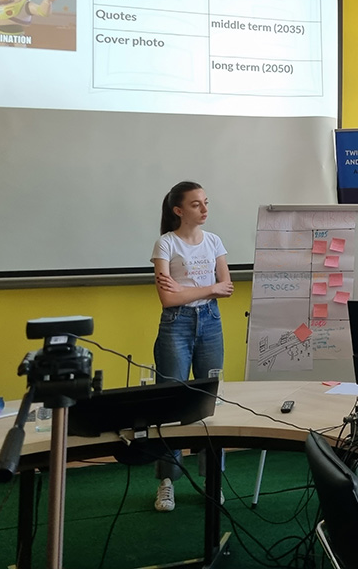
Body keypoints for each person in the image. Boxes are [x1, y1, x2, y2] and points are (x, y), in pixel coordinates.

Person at [150, 180, 233, 512]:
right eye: (196, 204)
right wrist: (208, 289)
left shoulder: (214, 241)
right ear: (178, 210)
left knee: (208, 400)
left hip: (210, 321)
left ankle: (211, 480)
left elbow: (227, 286)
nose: (204, 209)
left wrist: (190, 290)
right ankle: (166, 482)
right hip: (177, 324)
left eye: (206, 202)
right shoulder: (166, 243)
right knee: (171, 401)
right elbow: (168, 299)